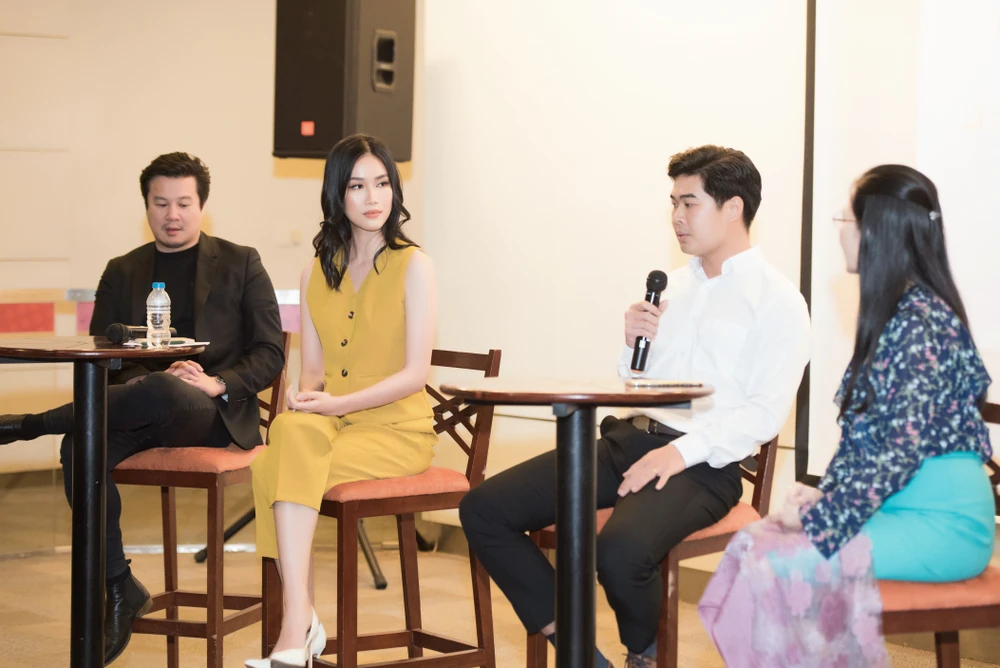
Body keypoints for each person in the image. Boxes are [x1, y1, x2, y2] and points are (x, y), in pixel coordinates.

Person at [459, 145, 811, 667]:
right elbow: (635, 384)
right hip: (628, 442)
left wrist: (680, 453)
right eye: (673, 203)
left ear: (733, 208)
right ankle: (580, 651)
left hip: (704, 465)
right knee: (484, 508)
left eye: (689, 203)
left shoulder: (778, 301)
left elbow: (763, 413)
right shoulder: (673, 288)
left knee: (620, 550)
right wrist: (632, 347)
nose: (676, 217)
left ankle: (643, 656)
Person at [699, 164, 994, 666]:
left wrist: (822, 517)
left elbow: (895, 455)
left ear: (876, 230)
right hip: (898, 504)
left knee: (778, 563)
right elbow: (870, 440)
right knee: (753, 543)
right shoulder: (901, 313)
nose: (840, 233)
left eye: (846, 220)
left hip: (941, 522)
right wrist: (825, 496)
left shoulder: (920, 322)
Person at [0, 152, 285, 665]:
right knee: (80, 445)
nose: (172, 215)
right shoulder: (122, 269)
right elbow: (102, 355)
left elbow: (269, 351)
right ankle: (118, 585)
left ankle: (28, 425)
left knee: (164, 388)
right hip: (141, 406)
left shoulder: (242, 262)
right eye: (160, 203)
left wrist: (217, 382)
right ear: (146, 206)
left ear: (202, 206)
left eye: (183, 203)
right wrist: (141, 381)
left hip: (212, 415)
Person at [245, 134, 438, 668]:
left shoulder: (415, 265)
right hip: (336, 427)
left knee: (273, 467)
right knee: (288, 431)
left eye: (382, 184)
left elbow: (416, 374)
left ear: (395, 191)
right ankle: (300, 621)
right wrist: (303, 396)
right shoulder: (315, 271)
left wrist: (332, 406)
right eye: (357, 186)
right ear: (338, 194)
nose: (373, 197)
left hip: (398, 432)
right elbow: (312, 372)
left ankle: (297, 624)